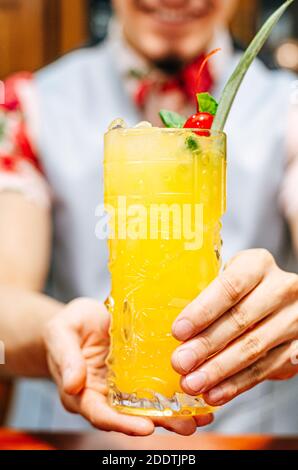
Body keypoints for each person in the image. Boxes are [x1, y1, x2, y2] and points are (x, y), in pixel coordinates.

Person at [0, 0, 297, 433]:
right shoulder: (27, 106)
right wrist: (54, 332)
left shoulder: (289, 107)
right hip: (70, 435)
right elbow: (4, 294)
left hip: (252, 434)